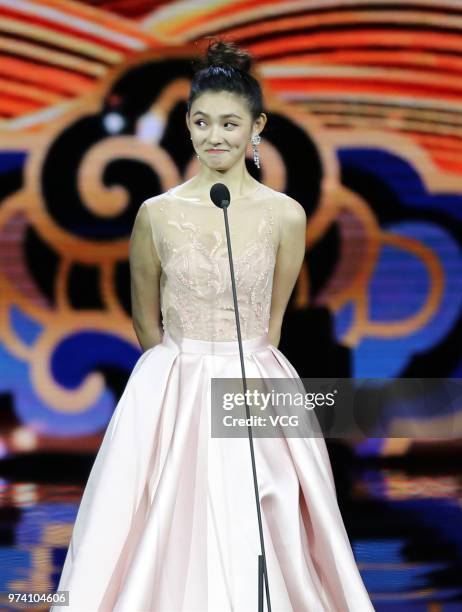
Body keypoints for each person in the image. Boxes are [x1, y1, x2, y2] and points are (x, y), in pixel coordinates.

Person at [51, 39, 375, 611]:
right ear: (187, 126)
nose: (215, 136)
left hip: (256, 379)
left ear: (258, 126)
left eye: (230, 122)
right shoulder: (157, 213)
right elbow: (143, 318)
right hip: (174, 383)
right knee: (163, 517)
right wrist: (180, 371)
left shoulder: (285, 214)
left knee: (268, 513)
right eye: (202, 122)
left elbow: (274, 319)